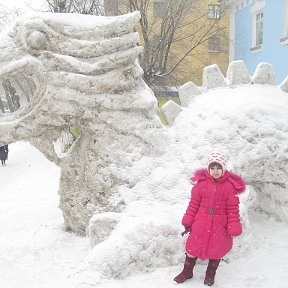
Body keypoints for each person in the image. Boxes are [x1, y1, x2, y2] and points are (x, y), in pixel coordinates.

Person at [174, 152, 246, 286]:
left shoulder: (229, 187)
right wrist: (188, 218)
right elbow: (193, 205)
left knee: (217, 249)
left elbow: (232, 210)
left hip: (220, 226)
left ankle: (210, 274)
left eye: (218, 168)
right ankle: (187, 271)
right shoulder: (201, 185)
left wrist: (234, 225)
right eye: (212, 168)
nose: (215, 171)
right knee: (192, 247)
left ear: (223, 168)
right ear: (208, 169)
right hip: (201, 223)